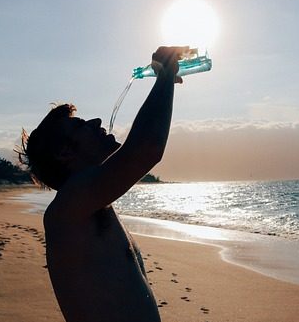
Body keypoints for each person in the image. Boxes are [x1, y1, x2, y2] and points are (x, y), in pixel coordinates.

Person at [19, 46, 186, 322]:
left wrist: (165, 81)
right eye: (81, 125)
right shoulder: (68, 208)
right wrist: (165, 76)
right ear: (65, 153)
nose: (96, 121)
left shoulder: (92, 205)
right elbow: (146, 149)